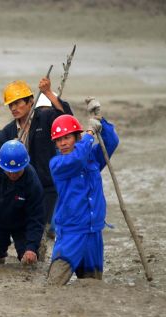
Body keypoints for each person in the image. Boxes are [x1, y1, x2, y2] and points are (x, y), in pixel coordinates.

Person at [47, 106, 119, 286]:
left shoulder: (92, 158)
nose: (63, 143)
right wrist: (89, 133)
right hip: (71, 232)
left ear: (76, 137)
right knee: (54, 285)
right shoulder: (58, 164)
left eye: (67, 137)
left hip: (94, 231)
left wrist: (100, 120)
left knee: (93, 284)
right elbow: (77, 159)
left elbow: (111, 143)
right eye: (59, 140)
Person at [0, 79, 73, 243]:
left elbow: (65, 116)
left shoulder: (45, 119)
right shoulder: (8, 132)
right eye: (11, 105)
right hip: (21, 188)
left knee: (41, 229)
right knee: (24, 231)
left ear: (31, 101)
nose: (14, 108)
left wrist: (48, 92)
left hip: (46, 186)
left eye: (17, 103)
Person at [0, 140, 45, 264]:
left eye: (16, 171)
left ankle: (37, 248)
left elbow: (36, 217)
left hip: (22, 223)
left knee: (28, 261)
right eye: (8, 171)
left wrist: (31, 247)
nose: (12, 174)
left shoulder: (32, 182)